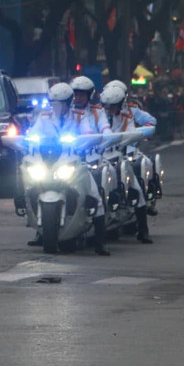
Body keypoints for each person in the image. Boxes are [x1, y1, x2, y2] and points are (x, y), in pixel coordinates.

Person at [28, 82, 110, 255]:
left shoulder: (80, 116)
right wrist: (30, 139)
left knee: (96, 197)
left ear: (68, 102)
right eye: (53, 103)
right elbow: (32, 134)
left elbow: (87, 133)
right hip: (48, 161)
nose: (56, 107)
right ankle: (37, 227)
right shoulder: (43, 117)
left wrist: (86, 139)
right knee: (29, 183)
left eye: (61, 103)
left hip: (74, 162)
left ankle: (100, 242)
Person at [101, 82, 155, 243]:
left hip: (121, 154)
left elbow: (144, 125)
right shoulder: (97, 114)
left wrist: (137, 135)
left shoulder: (129, 113)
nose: (110, 109)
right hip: (100, 156)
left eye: (113, 106)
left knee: (135, 187)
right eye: (107, 105)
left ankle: (143, 230)